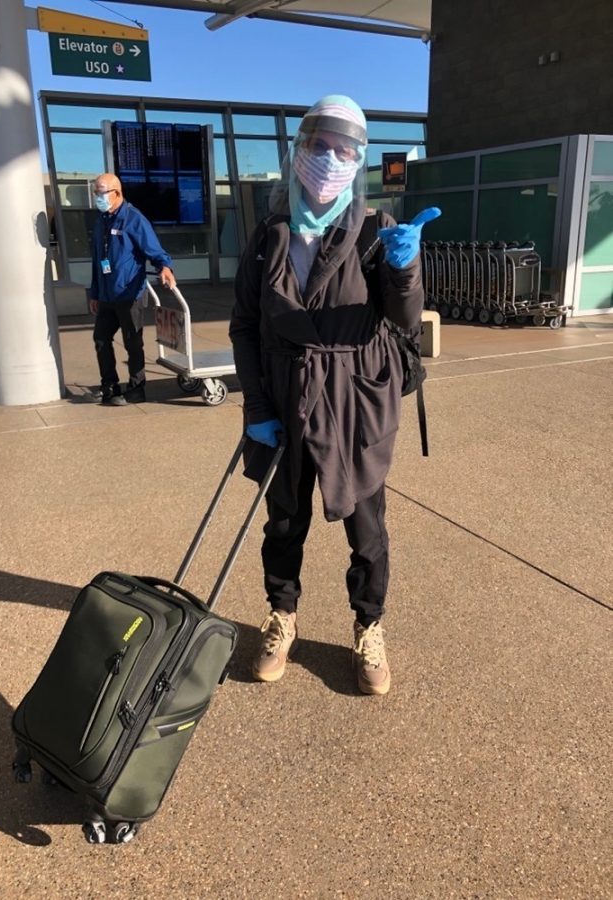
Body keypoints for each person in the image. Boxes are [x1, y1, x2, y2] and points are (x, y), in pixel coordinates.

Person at [229, 95, 439, 695]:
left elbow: (404, 322)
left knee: (367, 531)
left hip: (356, 398)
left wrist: (404, 269)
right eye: (320, 146)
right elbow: (246, 324)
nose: (329, 160)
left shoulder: (376, 231)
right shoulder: (269, 235)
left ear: (359, 161)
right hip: (286, 395)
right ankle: (282, 616)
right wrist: (257, 407)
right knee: (284, 521)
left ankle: (369, 628)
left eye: (343, 151)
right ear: (298, 152)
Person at [88, 173, 176, 405]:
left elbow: (154, 250)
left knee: (132, 342)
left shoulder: (133, 219)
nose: (97, 197)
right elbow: (97, 260)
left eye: (101, 192)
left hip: (129, 294)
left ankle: (137, 389)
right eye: (95, 192)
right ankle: (109, 385)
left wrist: (164, 267)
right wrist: (94, 293)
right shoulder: (101, 221)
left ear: (117, 193)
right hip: (107, 294)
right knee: (101, 339)